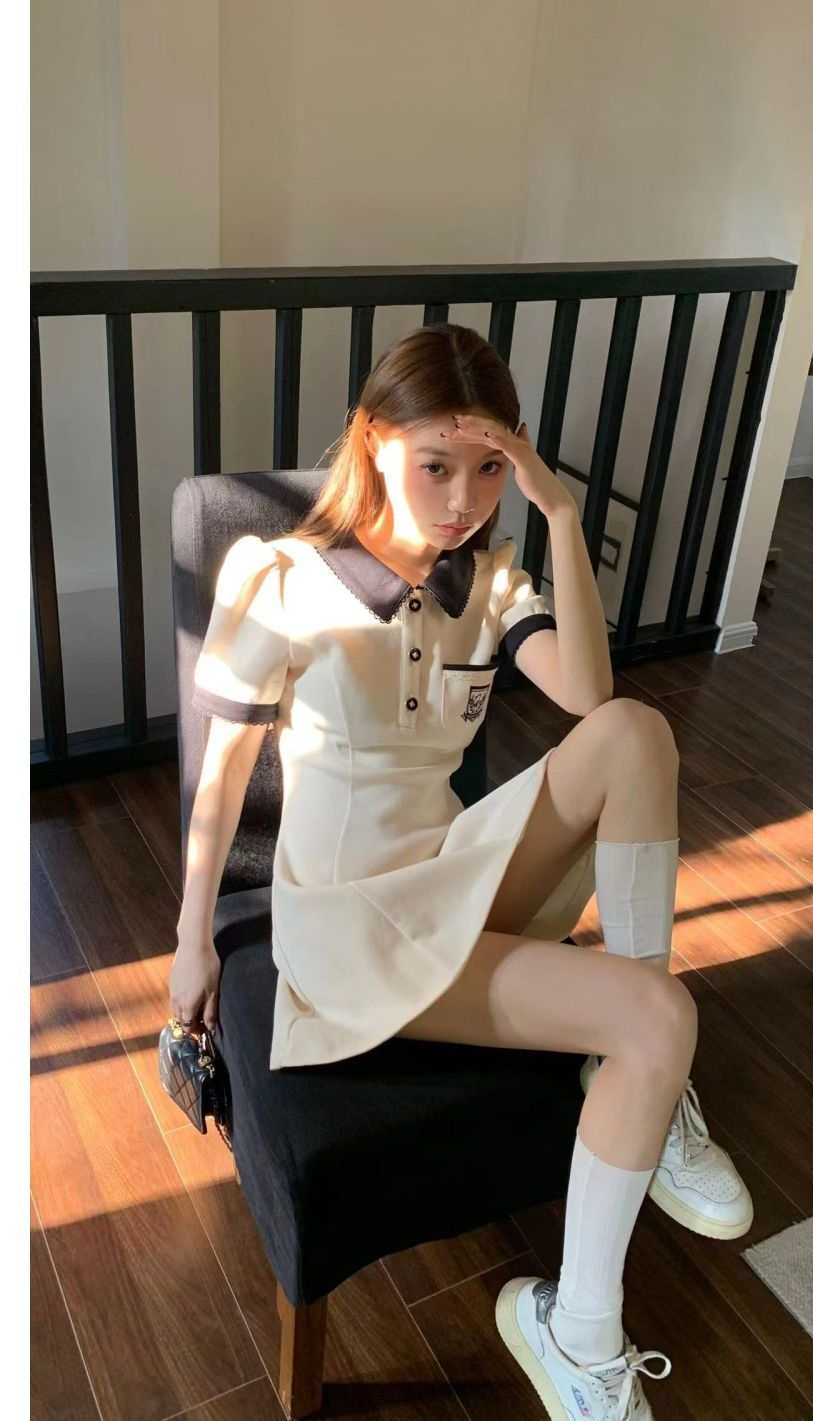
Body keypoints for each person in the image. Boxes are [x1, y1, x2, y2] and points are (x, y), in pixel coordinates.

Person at [170, 322, 753, 1421]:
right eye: (435, 464)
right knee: (657, 1014)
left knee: (634, 731)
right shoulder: (279, 576)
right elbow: (222, 779)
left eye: (488, 468)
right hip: (348, 930)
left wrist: (561, 513)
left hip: (450, 872)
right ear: (371, 440)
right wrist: (191, 939)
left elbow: (587, 695)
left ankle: (635, 1065)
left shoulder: (487, 577)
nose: (462, 498)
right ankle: (576, 1333)